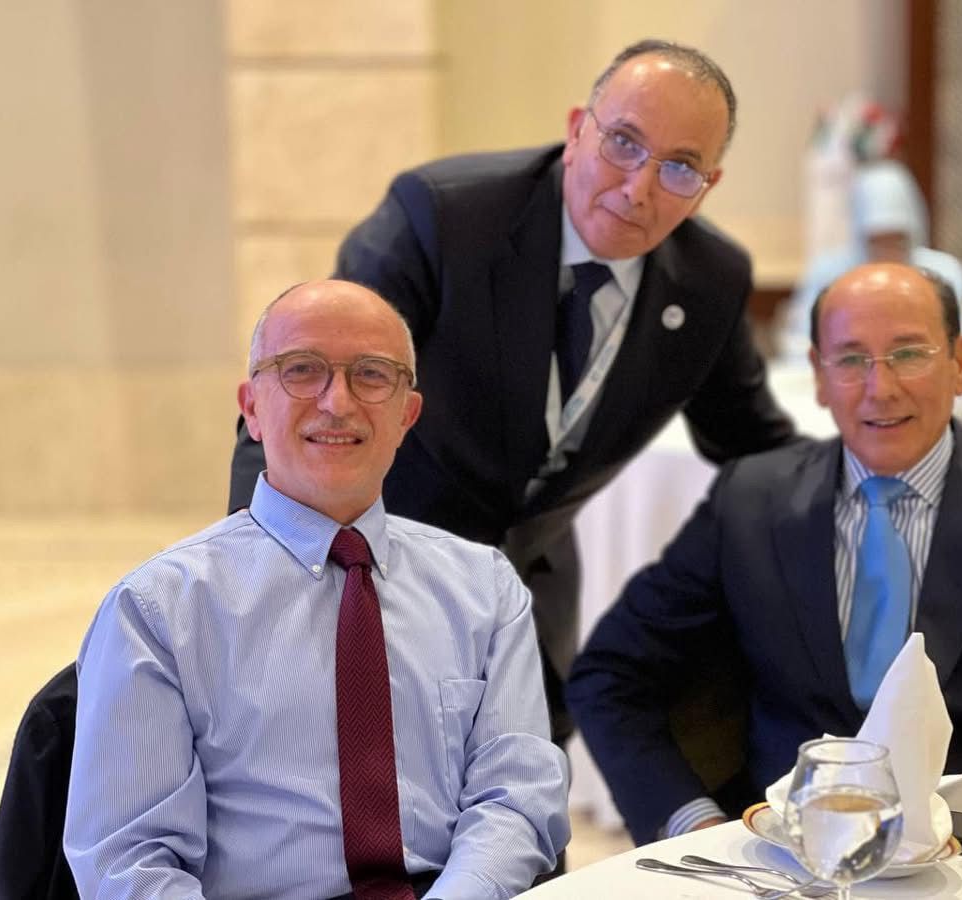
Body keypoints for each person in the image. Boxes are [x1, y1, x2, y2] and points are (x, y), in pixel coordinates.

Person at [227, 39, 796, 743]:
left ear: (709, 184)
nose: (639, 187)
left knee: (526, 798)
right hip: (374, 569)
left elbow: (753, 446)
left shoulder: (709, 280)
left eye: (679, 167)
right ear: (576, 129)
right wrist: (258, 585)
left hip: (529, 596)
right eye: (623, 143)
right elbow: (303, 395)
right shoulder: (444, 218)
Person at [567, 263, 962, 846]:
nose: (881, 387)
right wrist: (693, 821)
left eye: (909, 353)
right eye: (850, 360)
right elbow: (609, 675)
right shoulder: (749, 503)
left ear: (960, 363)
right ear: (818, 377)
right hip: (787, 857)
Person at [65, 280, 569, 899]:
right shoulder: (158, 610)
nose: (337, 402)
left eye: (372, 375)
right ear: (252, 408)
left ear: (407, 416)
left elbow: (515, 797)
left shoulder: (484, 589)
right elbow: (129, 861)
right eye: (301, 370)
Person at [783, 159, 962, 359]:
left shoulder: (946, 273)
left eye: (897, 239)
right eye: (877, 241)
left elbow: (958, 348)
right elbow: (801, 346)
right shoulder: (827, 275)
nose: (888, 252)